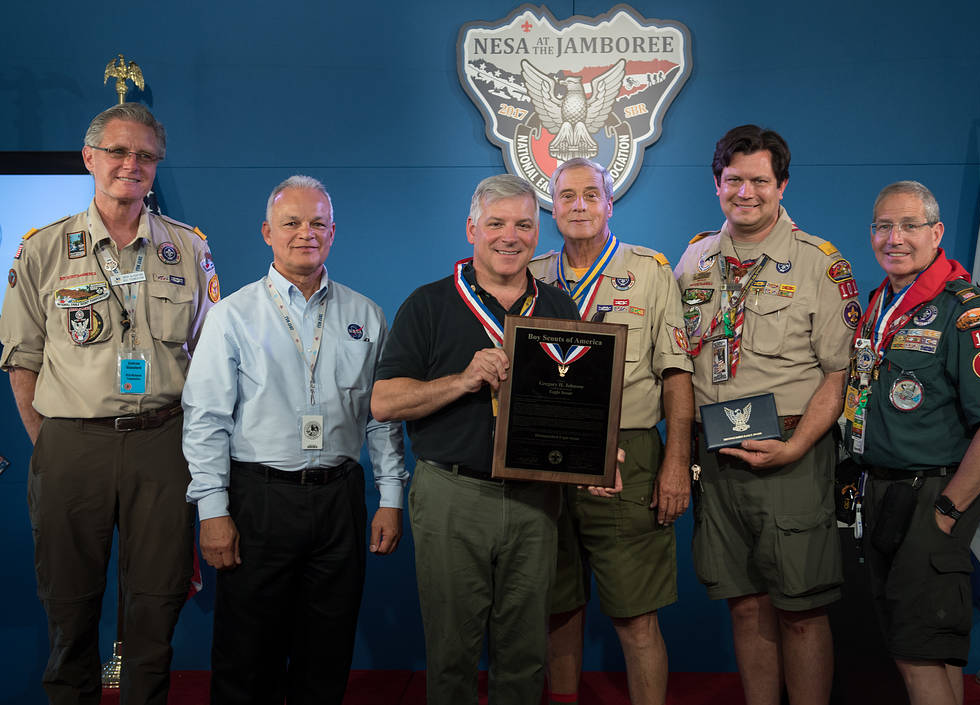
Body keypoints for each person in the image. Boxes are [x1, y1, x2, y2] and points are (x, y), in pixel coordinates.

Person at [0, 102, 218, 705]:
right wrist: (51, 442)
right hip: (72, 442)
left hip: (163, 443)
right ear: (90, 157)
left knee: (156, 602)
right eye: (119, 152)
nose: (132, 165)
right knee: (69, 603)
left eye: (145, 155)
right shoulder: (43, 249)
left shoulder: (190, 251)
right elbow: (22, 359)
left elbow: (207, 355)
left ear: (158, 165)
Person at [182, 175, 408, 705]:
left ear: (333, 233)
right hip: (258, 497)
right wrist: (212, 510)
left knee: (326, 653)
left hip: (339, 498)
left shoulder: (366, 316)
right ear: (267, 232)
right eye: (291, 223)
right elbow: (206, 419)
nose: (305, 233)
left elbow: (381, 420)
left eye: (317, 223)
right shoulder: (232, 316)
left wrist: (391, 498)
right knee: (246, 654)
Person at [370, 174, 588, 705]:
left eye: (522, 225)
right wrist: (463, 380)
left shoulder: (559, 307)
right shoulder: (428, 305)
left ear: (538, 234)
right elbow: (383, 402)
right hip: (454, 495)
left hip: (537, 497)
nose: (509, 237)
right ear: (471, 228)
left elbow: (581, 404)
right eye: (496, 224)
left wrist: (598, 451)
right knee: (452, 652)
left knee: (524, 652)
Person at [673, 125, 856, 705]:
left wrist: (799, 446)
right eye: (734, 180)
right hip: (716, 454)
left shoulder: (820, 263)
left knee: (800, 607)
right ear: (717, 183)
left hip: (790, 452)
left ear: (782, 185)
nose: (745, 192)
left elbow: (839, 374)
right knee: (744, 600)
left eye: (759, 180)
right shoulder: (696, 257)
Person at [845, 181, 980, 705]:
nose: (894, 238)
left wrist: (947, 510)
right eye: (883, 226)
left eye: (909, 225)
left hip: (932, 493)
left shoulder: (966, 311)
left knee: (916, 653)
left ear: (936, 233)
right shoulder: (884, 300)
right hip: (881, 492)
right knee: (929, 650)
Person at [528, 158, 693, 705]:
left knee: (635, 614)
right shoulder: (533, 271)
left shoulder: (648, 270)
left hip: (630, 453)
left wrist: (675, 463)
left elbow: (676, 374)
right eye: (567, 195)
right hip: (547, 455)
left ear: (609, 203)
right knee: (558, 606)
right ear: (553, 205)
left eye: (590, 195)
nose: (579, 206)